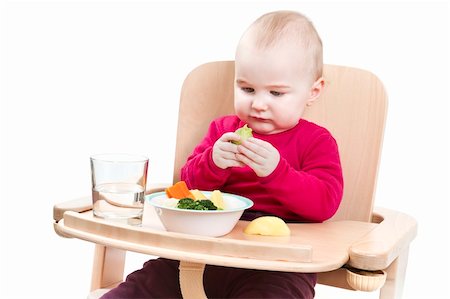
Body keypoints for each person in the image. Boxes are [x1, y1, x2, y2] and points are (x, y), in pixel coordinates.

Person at [101, 10, 343, 299]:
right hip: (197, 252)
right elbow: (186, 187)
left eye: (276, 93)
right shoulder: (223, 131)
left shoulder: (317, 141)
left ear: (313, 91)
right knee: (140, 287)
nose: (259, 104)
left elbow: (325, 204)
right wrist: (213, 163)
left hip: (279, 266)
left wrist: (278, 173)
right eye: (247, 88)